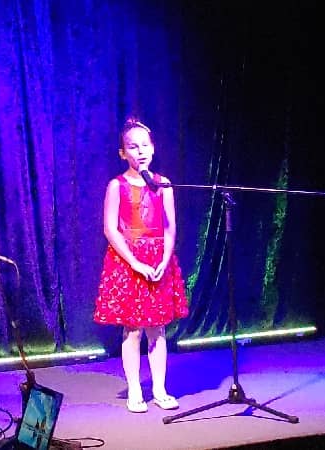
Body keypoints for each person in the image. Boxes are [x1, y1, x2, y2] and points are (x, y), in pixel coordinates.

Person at [93, 117, 189, 413]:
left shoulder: (163, 184)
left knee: (157, 329)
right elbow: (110, 229)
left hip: (158, 260)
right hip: (128, 262)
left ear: (153, 148)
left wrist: (164, 259)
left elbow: (170, 227)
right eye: (133, 147)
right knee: (133, 329)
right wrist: (134, 262)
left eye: (145, 145)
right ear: (123, 153)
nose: (140, 151)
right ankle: (135, 389)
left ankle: (159, 389)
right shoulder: (117, 185)